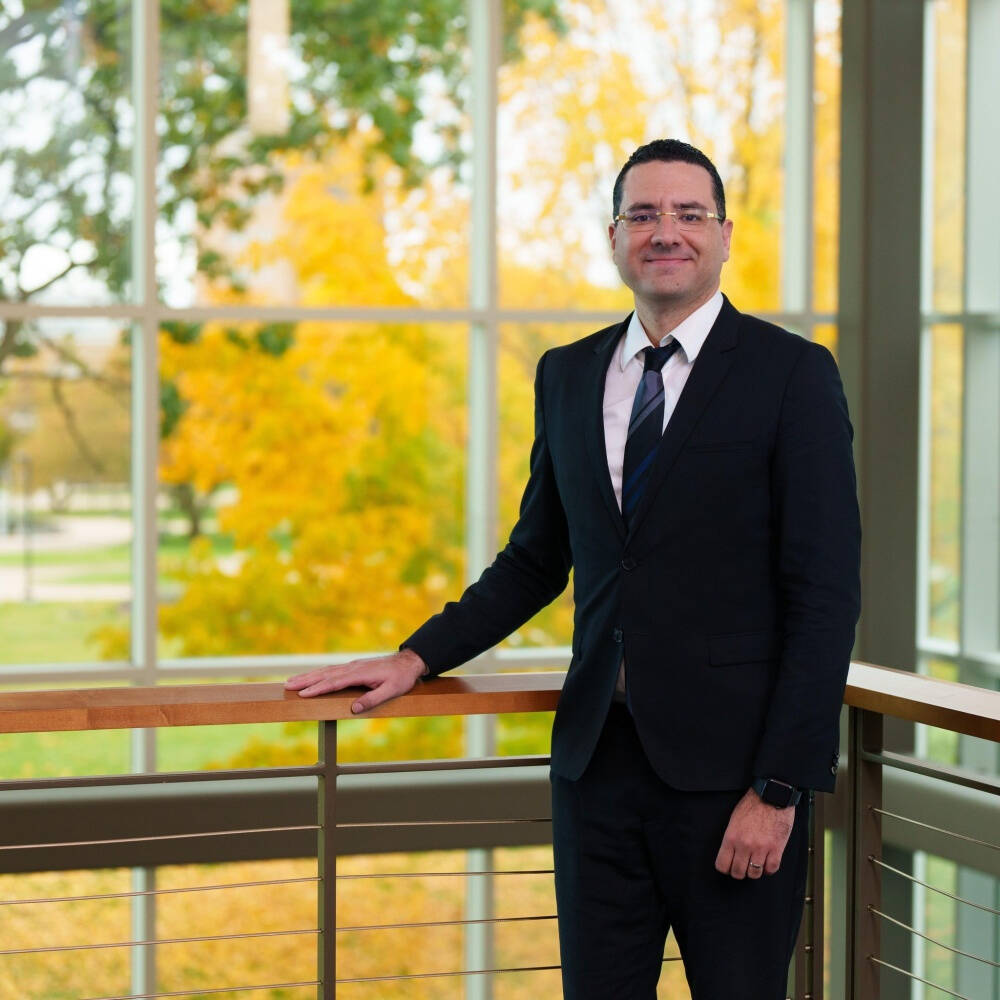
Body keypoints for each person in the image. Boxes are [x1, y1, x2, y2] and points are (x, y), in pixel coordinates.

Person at [287, 138, 861, 999]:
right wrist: (416, 657)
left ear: (725, 234)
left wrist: (779, 788)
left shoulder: (792, 376)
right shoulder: (567, 375)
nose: (665, 231)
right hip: (597, 772)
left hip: (735, 781)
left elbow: (825, 596)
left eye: (687, 213)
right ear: (615, 236)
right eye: (644, 214)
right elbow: (535, 560)